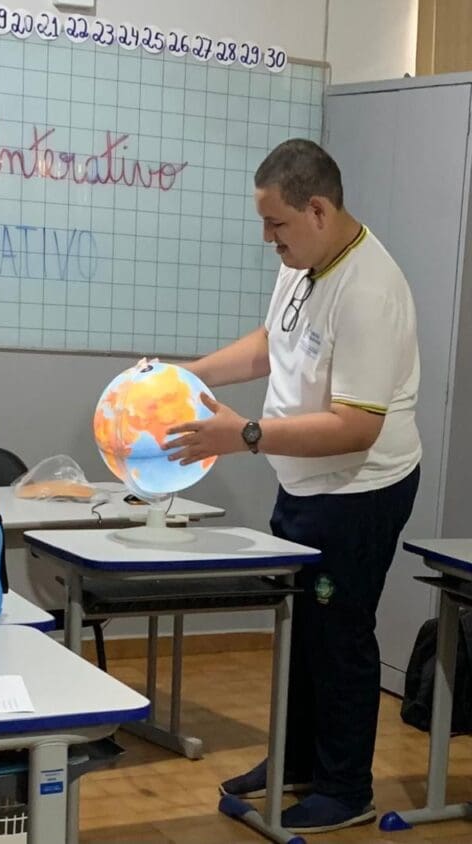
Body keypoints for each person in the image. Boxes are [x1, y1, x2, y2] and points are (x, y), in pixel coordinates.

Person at [165, 138, 421, 834]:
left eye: (276, 223)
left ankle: (345, 787)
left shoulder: (370, 289)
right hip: (303, 483)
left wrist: (243, 435)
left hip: (358, 491)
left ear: (317, 208)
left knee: (339, 634)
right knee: (303, 627)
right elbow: (272, 342)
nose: (267, 238)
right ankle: (301, 759)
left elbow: (354, 427)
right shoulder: (303, 262)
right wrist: (191, 375)